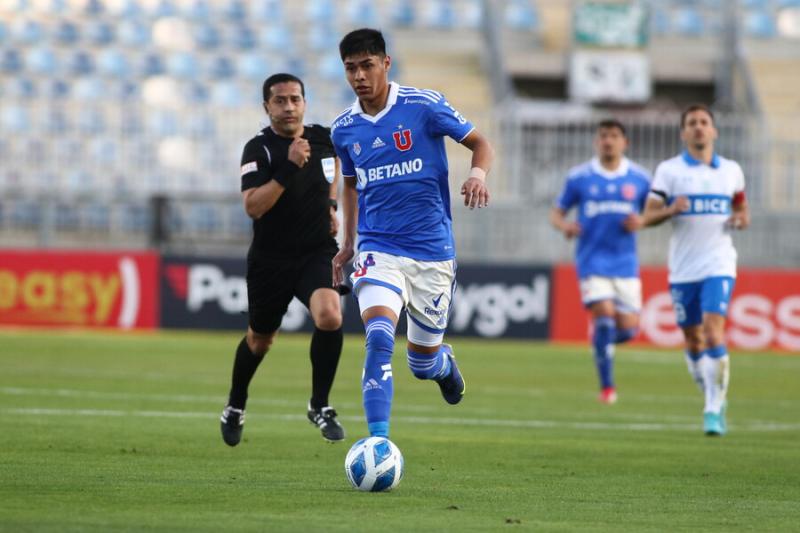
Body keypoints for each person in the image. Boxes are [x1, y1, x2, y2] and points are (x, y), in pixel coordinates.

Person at [329, 28, 494, 438]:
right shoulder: (344, 129)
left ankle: (441, 365)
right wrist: (347, 244)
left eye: (367, 65)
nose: (359, 76)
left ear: (386, 63)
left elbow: (481, 143)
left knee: (421, 363)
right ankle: (378, 443)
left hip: (432, 251)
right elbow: (349, 184)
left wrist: (477, 174)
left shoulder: (424, 105)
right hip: (377, 247)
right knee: (379, 337)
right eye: (351, 69)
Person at [219, 73, 347, 445]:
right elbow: (253, 206)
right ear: (267, 107)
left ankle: (320, 405)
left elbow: (335, 167)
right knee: (260, 340)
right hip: (271, 260)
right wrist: (289, 167)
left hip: (316, 251)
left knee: (330, 315)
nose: (288, 107)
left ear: (304, 102)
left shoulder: (323, 139)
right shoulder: (259, 149)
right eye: (280, 101)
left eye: (295, 99)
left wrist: (331, 202)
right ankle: (236, 404)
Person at [642, 104, 750, 436]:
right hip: (683, 268)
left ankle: (713, 408)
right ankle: (712, 393)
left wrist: (741, 219)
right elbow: (648, 215)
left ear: (714, 131)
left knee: (713, 331)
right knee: (692, 339)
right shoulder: (669, 171)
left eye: (704, 122)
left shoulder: (731, 170)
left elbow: (742, 207)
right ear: (683, 133)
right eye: (692, 123)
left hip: (719, 263)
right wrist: (671, 209)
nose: (699, 128)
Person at [550, 120, 651, 404]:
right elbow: (556, 214)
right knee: (605, 319)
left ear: (624, 142)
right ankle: (607, 388)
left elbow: (654, 213)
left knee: (629, 330)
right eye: (604, 136)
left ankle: (600, 343)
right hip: (592, 260)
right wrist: (565, 226)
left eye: (614, 136)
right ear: (597, 141)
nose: (609, 140)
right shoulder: (580, 177)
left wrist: (641, 221)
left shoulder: (640, 178)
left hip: (625, 262)